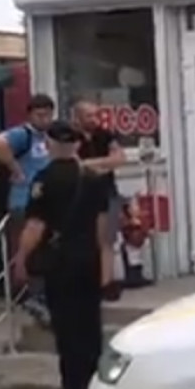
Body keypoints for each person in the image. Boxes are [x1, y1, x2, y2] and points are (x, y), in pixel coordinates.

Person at [13, 122, 111, 389]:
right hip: (89, 260)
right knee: (90, 327)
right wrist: (107, 269)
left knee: (67, 330)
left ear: (49, 145)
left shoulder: (44, 180)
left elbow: (36, 226)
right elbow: (103, 230)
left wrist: (21, 259)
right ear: (77, 145)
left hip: (61, 262)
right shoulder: (93, 179)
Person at [0, 94, 57, 326]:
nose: (44, 119)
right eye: (39, 115)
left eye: (48, 115)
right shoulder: (24, 134)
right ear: (30, 115)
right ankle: (30, 295)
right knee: (29, 250)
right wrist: (15, 169)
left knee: (47, 250)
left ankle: (44, 296)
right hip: (23, 201)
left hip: (46, 203)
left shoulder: (49, 137)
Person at [71, 100, 128, 296]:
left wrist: (91, 163)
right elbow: (75, 165)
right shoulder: (71, 137)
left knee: (107, 239)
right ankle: (84, 283)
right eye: (89, 116)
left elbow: (120, 158)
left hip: (107, 191)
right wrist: (103, 164)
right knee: (84, 240)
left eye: (96, 115)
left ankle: (106, 283)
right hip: (80, 195)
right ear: (77, 117)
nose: (94, 119)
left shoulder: (105, 135)